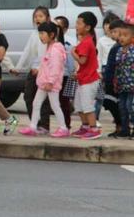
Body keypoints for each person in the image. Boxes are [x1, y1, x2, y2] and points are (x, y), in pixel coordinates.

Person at [19, 22, 69, 137]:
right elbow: (46, 65)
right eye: (39, 33)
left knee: (55, 105)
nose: (40, 36)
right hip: (44, 83)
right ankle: (33, 126)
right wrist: (39, 71)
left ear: (51, 35)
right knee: (36, 103)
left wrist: (50, 82)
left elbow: (55, 68)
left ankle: (63, 128)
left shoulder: (55, 50)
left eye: (42, 33)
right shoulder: (49, 47)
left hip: (50, 84)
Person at [11, 6, 51, 134]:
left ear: (47, 18)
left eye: (40, 16)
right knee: (28, 96)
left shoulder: (49, 35)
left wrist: (40, 69)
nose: (37, 18)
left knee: (43, 100)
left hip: (43, 72)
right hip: (32, 71)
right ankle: (34, 124)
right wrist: (18, 67)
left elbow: (47, 55)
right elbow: (27, 51)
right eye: (36, 16)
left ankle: (44, 126)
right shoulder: (34, 34)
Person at [71, 12, 101, 140]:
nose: (76, 26)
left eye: (79, 23)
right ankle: (85, 127)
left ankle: (94, 128)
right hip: (83, 79)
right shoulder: (85, 41)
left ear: (88, 27)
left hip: (89, 80)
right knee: (78, 105)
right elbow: (84, 65)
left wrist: (73, 53)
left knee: (87, 106)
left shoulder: (87, 42)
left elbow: (82, 61)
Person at [103, 19, 125, 137]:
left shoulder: (124, 47)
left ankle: (122, 126)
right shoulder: (116, 46)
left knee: (117, 104)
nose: (113, 35)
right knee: (109, 103)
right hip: (109, 79)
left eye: (115, 31)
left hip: (118, 81)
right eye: (111, 32)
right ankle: (119, 126)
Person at [114, 23, 134, 138]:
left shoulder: (132, 50)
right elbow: (117, 68)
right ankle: (125, 129)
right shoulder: (119, 50)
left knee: (130, 106)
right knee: (122, 107)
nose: (121, 37)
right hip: (122, 84)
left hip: (131, 84)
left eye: (125, 35)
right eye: (120, 35)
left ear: (132, 37)